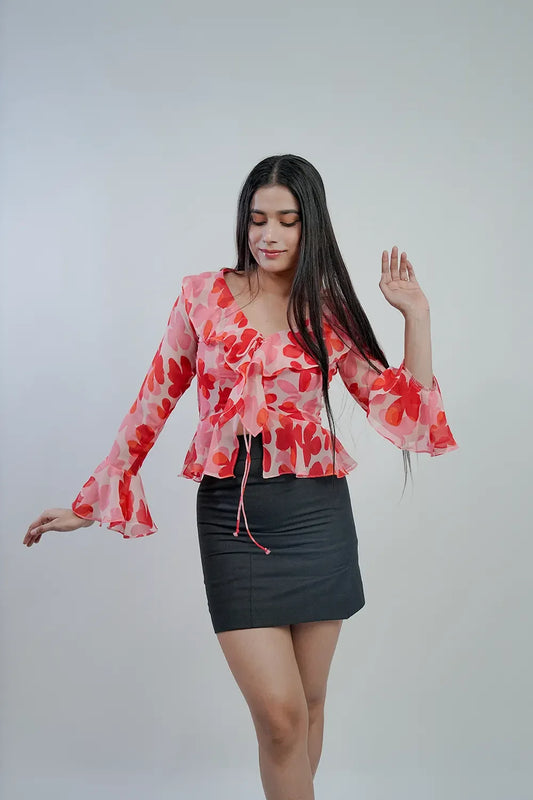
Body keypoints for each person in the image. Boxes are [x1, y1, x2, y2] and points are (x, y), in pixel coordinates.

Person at [23, 154, 458, 800]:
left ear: (311, 227)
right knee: (279, 718)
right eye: (258, 219)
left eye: (286, 220)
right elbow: (153, 399)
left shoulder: (327, 310)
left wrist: (415, 317)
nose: (269, 235)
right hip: (233, 517)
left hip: (318, 518)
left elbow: (404, 415)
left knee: (308, 707)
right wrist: (93, 501)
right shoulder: (202, 297)